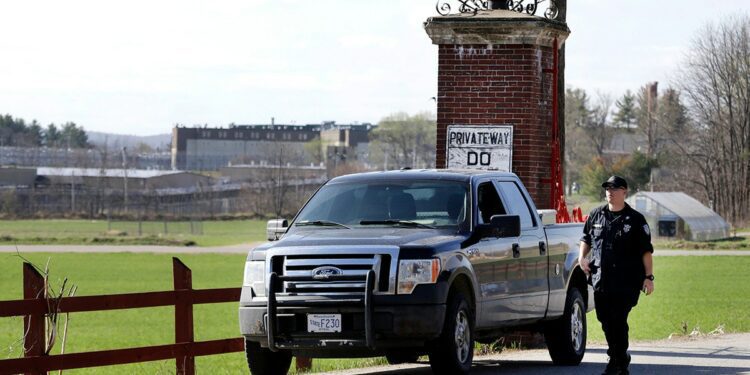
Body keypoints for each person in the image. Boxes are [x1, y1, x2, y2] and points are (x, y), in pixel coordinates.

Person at [579, 175, 654, 375]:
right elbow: (586, 238)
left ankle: (615, 360)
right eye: (607, 189)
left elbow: (645, 250)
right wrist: (581, 258)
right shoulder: (596, 215)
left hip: (626, 281)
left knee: (618, 318)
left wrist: (649, 277)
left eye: (614, 189)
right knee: (605, 319)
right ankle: (621, 356)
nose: (609, 192)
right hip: (601, 279)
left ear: (624, 192)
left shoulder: (636, 219)